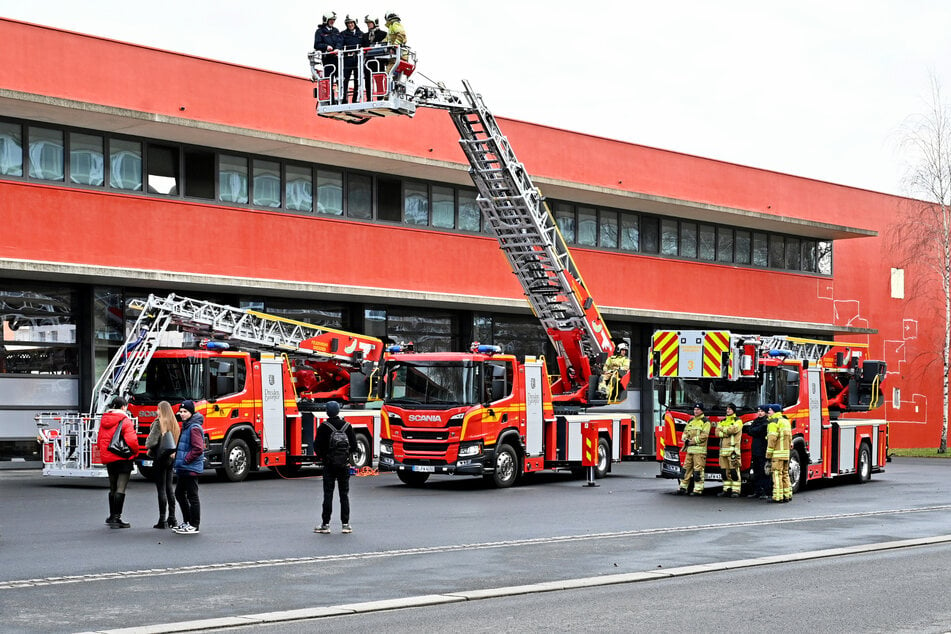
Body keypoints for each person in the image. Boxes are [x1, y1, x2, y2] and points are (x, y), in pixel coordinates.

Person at [96, 396, 140, 528]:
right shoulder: (125, 420)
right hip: (122, 457)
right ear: (123, 407)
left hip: (109, 457)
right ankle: (117, 517)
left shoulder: (104, 420)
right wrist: (135, 452)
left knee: (113, 486)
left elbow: (99, 440)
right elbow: (132, 440)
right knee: (121, 487)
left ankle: (111, 516)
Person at [315, 400, 356, 534]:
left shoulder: (323, 427)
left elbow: (317, 447)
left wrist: (324, 457)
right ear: (338, 411)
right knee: (344, 495)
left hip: (329, 465)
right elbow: (354, 447)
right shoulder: (347, 426)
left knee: (328, 494)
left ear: (327, 412)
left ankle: (325, 524)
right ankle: (346, 524)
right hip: (343, 465)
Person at [144, 400, 181, 529]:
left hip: (160, 458)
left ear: (161, 410)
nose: (156, 411)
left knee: (161, 489)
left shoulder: (159, 423)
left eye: (158, 409)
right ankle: (172, 518)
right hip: (171, 458)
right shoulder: (174, 423)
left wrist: (147, 444)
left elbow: (151, 442)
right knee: (169, 488)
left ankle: (162, 519)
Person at [172, 400, 205, 534]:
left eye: (185, 412)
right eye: (181, 411)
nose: (182, 414)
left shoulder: (194, 427)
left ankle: (194, 525)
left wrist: (186, 459)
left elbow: (198, 448)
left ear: (191, 412)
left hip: (190, 467)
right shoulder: (187, 426)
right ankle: (187, 522)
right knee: (179, 493)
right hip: (184, 467)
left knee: (192, 496)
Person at [676, 403, 710, 496]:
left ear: (702, 411)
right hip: (689, 450)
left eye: (698, 410)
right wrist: (685, 439)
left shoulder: (705, 422)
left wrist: (692, 441)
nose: (695, 411)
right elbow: (685, 432)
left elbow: (704, 436)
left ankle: (698, 490)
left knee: (698, 471)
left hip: (699, 451)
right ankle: (683, 488)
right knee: (685, 469)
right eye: (695, 409)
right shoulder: (691, 421)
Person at [766, 404, 793, 503]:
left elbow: (772, 439)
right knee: (785, 474)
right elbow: (790, 438)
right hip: (786, 453)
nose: (768, 412)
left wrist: (768, 454)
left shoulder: (773, 422)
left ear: (774, 411)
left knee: (777, 475)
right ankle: (787, 495)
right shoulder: (785, 421)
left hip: (777, 454)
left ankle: (778, 497)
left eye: (770, 410)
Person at [715, 403, 743, 498]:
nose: (727, 410)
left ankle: (736, 490)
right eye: (727, 409)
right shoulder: (722, 421)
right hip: (723, 451)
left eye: (730, 409)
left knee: (734, 471)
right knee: (724, 472)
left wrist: (722, 429)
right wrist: (725, 433)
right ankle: (727, 489)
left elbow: (733, 430)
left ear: (733, 411)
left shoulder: (738, 421)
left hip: (733, 451)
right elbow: (716, 432)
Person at [744, 405, 772, 499]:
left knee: (764, 472)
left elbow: (758, 430)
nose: (759, 413)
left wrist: (755, 430)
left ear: (765, 412)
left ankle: (765, 491)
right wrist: (755, 430)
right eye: (758, 411)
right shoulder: (756, 421)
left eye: (762, 411)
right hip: (755, 450)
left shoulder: (766, 422)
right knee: (756, 472)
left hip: (763, 450)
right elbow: (749, 430)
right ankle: (757, 491)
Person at [313, 12, 341, 103]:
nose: (332, 21)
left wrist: (337, 48)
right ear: (326, 20)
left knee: (339, 79)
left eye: (333, 20)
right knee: (329, 79)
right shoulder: (320, 31)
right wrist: (326, 47)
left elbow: (340, 41)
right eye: (331, 20)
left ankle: (341, 98)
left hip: (337, 58)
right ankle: (331, 100)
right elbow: (317, 44)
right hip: (327, 59)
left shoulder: (336, 31)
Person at [361, 15, 388, 100]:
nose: (368, 25)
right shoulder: (365, 36)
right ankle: (369, 98)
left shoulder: (383, 34)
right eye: (367, 23)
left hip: (379, 61)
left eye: (370, 23)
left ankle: (380, 98)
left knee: (379, 80)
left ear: (375, 23)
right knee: (367, 80)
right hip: (368, 61)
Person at [338, 15, 364, 104]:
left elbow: (364, 45)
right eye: (348, 23)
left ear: (355, 23)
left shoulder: (361, 34)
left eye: (352, 23)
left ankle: (355, 100)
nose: (350, 25)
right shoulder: (343, 34)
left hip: (357, 60)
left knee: (357, 79)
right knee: (344, 79)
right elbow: (339, 44)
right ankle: (344, 100)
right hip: (346, 59)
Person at [384, 12, 408, 85]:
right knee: (393, 78)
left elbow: (402, 35)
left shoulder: (395, 24)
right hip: (396, 57)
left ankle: (388, 95)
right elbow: (387, 40)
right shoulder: (391, 27)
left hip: (398, 56)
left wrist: (394, 47)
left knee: (388, 75)